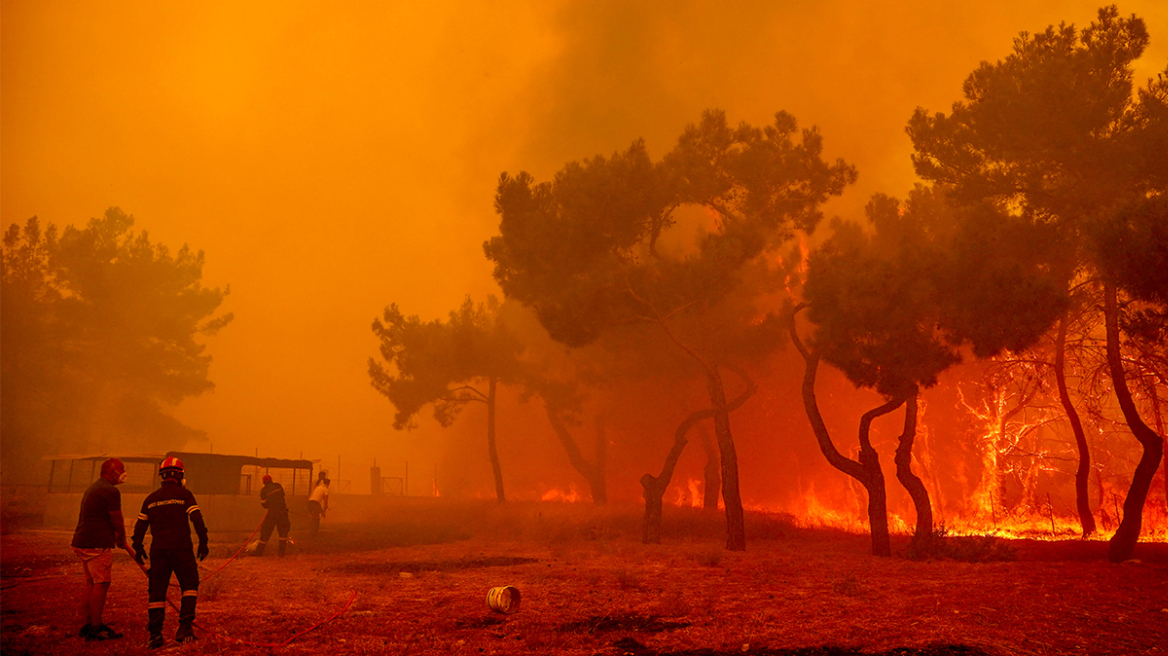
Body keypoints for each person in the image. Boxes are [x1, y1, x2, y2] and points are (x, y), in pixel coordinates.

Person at [131, 457, 209, 649]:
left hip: (158, 551)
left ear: (162, 477)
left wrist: (138, 546)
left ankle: (155, 635)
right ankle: (184, 628)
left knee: (157, 592)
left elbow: (140, 527)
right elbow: (197, 518)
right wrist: (203, 542)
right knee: (189, 585)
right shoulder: (185, 495)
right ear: (180, 475)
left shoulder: (151, 499)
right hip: (182, 548)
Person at [72, 457, 129, 641]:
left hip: (82, 541)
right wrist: (122, 537)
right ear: (111, 472)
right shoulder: (110, 491)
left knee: (91, 582)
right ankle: (96, 628)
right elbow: (116, 519)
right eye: (121, 469)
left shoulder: (95, 487)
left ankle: (88, 624)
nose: (124, 472)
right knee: (101, 583)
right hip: (96, 543)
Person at [255, 474, 291, 556]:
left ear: (263, 482)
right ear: (271, 480)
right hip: (283, 512)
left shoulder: (264, 490)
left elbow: (264, 504)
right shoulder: (278, 485)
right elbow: (282, 495)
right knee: (283, 533)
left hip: (272, 513)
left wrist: (270, 503)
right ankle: (281, 553)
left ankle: (258, 553)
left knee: (265, 532)